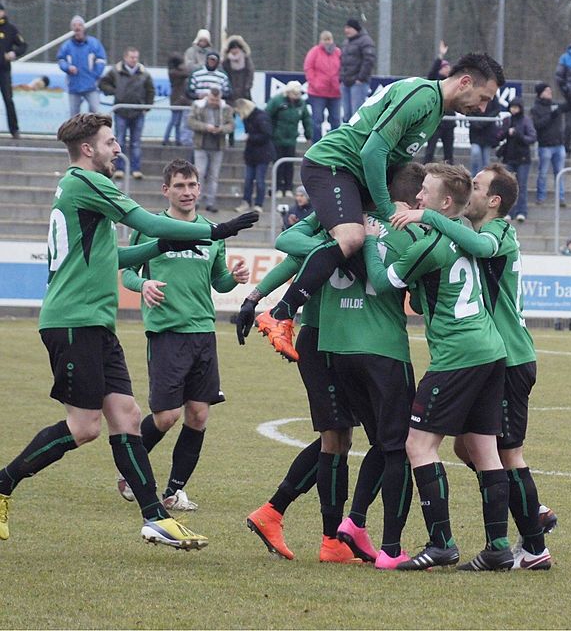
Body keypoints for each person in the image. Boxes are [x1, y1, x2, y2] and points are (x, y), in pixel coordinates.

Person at [0, 113, 257, 547]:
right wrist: (214, 230)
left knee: (128, 417)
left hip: (94, 322)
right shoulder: (87, 182)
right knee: (84, 427)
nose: (118, 148)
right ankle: (3, 484)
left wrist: (167, 243)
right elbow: (148, 222)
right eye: (111, 141)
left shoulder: (76, 189)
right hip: (73, 321)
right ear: (88, 149)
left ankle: (155, 517)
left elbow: (115, 258)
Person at [252, 52, 504, 362]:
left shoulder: (434, 108)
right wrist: (386, 207)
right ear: (465, 81)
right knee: (352, 239)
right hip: (334, 165)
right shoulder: (422, 97)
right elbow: (373, 151)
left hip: (353, 176)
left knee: (344, 243)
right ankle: (281, 313)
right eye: (483, 98)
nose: (483, 108)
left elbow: (391, 160)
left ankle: (274, 310)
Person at [241, 163, 426, 568]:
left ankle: (303, 522)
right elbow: (289, 243)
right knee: (340, 441)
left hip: (335, 339)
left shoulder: (350, 223)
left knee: (342, 438)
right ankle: (328, 533)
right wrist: (343, 246)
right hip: (327, 340)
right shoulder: (343, 220)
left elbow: (296, 253)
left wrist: (260, 294)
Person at [390, 163, 556, 570]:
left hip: (509, 356)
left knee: (507, 454)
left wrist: (426, 217)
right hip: (493, 353)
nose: (472, 194)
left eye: (478, 187)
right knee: (473, 447)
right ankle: (517, 522)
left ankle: (533, 543)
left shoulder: (496, 232)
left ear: (494, 200)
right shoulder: (467, 230)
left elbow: (477, 249)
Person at [362, 163, 513, 571]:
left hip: (457, 357)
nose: (418, 198)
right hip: (490, 350)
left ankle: (441, 542)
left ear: (446, 202)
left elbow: (383, 281)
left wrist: (370, 243)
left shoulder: (430, 244)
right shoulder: (465, 234)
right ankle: (498, 546)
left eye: (426, 193)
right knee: (484, 450)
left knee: (418, 445)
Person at [119, 158, 250, 511]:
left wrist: (234, 278)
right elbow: (127, 272)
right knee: (166, 416)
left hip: (203, 333)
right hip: (166, 332)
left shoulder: (211, 232)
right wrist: (143, 283)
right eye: (180, 186)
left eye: (192, 185)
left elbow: (218, 282)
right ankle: (128, 470)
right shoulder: (150, 227)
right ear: (166, 190)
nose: (188, 192)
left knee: (199, 415)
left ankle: (175, 491)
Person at [98, 46, 155, 181]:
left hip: (138, 113)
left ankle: (136, 169)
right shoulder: (115, 71)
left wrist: (147, 106)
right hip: (121, 112)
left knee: (136, 142)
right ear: (125, 57)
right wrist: (114, 91)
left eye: (136, 57)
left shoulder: (144, 73)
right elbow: (103, 83)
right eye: (131, 57)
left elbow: (150, 90)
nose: (134, 60)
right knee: (120, 141)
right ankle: (119, 168)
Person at [187, 87, 235, 213]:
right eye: (212, 99)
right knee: (199, 173)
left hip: (218, 146)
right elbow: (190, 122)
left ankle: (210, 202)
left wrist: (221, 129)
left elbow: (231, 125)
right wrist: (205, 127)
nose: (214, 102)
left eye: (216, 100)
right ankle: (196, 201)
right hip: (201, 145)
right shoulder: (198, 106)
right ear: (208, 97)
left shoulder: (226, 108)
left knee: (214, 176)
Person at [266, 80, 312, 198]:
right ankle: (278, 187)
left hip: (291, 139)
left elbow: (306, 120)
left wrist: (308, 135)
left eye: (298, 94)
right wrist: (270, 133)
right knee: (278, 163)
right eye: (294, 93)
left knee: (289, 165)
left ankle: (288, 187)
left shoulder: (301, 104)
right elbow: (267, 116)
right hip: (277, 138)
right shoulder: (277, 101)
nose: (296, 96)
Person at [57, 16, 106, 116]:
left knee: (95, 114)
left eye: (79, 25)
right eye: (74, 25)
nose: (77, 28)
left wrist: (94, 75)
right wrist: (68, 67)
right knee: (74, 117)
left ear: (84, 27)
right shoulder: (67, 46)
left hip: (91, 87)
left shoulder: (94, 43)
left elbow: (101, 60)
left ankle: (94, 132)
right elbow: (61, 60)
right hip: (74, 87)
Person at [496, 98, 536, 222]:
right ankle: (508, 212)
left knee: (522, 186)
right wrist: (506, 132)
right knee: (508, 186)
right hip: (509, 157)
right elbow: (499, 135)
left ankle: (521, 211)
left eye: (516, 107)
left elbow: (532, 138)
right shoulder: (507, 120)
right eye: (512, 107)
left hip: (523, 158)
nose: (514, 110)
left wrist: (518, 134)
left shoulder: (526, 121)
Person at [530, 81, 570, 205]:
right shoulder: (535, 109)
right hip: (545, 146)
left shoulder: (556, 106)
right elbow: (537, 125)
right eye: (547, 91)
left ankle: (561, 197)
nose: (550, 93)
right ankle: (541, 197)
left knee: (560, 172)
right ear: (540, 93)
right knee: (543, 173)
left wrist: (568, 92)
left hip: (559, 145)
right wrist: (551, 116)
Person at [233, 98, 274, 214]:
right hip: (251, 153)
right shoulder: (249, 118)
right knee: (248, 180)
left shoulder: (261, 117)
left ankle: (258, 204)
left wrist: (250, 137)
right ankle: (246, 202)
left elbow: (267, 134)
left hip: (262, 153)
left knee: (260, 180)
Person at [303, 30, 341, 143]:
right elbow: (308, 67)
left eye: (329, 39)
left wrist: (339, 83)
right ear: (321, 40)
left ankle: (335, 144)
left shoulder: (338, 52)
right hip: (317, 93)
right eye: (325, 39)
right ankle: (316, 144)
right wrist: (314, 83)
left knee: (335, 121)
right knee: (317, 120)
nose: (327, 42)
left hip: (335, 92)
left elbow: (344, 68)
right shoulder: (315, 52)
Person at [423, 41, 455, 164]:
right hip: (435, 122)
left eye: (448, 67)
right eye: (445, 67)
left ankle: (451, 177)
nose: (448, 69)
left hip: (449, 122)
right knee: (430, 151)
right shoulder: (435, 82)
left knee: (449, 154)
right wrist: (440, 56)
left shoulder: (452, 82)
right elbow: (431, 74)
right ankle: (424, 173)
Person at [340, 18, 376, 122]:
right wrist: (341, 78)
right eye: (345, 28)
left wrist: (360, 78)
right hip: (346, 82)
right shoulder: (346, 42)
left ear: (356, 29)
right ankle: (347, 138)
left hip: (358, 83)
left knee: (356, 115)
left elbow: (369, 60)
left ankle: (357, 137)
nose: (346, 30)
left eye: (349, 28)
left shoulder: (365, 41)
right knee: (347, 116)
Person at [221, 35, 254, 148]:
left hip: (244, 94)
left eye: (237, 47)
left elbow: (250, 74)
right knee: (230, 118)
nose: (235, 50)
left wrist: (247, 87)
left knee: (247, 118)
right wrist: (227, 90)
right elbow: (224, 76)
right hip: (230, 95)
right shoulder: (226, 62)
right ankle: (231, 141)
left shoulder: (246, 60)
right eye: (233, 48)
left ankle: (249, 139)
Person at [0, 1, 27, 138]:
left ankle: (14, 129)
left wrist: (13, 54)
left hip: (4, 71)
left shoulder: (10, 29)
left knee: (8, 100)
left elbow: (23, 45)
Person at [470, 97, 502, 177]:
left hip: (488, 133)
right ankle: (473, 177)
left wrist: (485, 121)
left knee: (486, 160)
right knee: (475, 154)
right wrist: (475, 122)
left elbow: (497, 109)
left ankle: (484, 180)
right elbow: (468, 110)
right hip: (475, 132)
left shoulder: (492, 96)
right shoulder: (474, 94)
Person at [163, 54, 191, 146]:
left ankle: (177, 139)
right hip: (176, 98)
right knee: (174, 120)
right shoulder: (174, 73)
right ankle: (166, 139)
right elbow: (187, 73)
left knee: (178, 122)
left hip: (180, 98)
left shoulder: (175, 72)